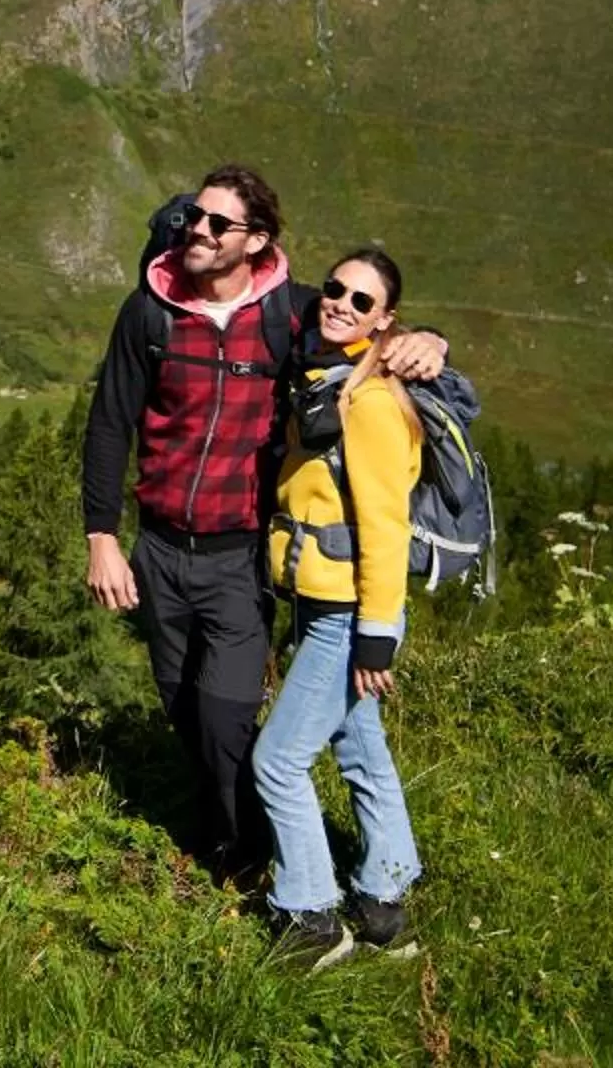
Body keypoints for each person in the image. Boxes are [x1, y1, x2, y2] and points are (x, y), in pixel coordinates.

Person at [80, 168, 443, 884]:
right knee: (185, 710)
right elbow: (110, 423)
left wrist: (432, 341)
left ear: (257, 241)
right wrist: (101, 538)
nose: (199, 231)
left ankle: (263, 862)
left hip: (240, 557)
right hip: (158, 549)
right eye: (194, 216)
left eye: (219, 223)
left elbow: (364, 327)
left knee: (227, 719)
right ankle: (228, 842)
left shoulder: (290, 313)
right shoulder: (149, 312)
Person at [256, 244, 427, 968]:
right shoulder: (326, 377)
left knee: (277, 761)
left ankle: (311, 919)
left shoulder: (374, 403)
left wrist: (377, 635)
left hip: (349, 614)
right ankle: (386, 903)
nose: (341, 304)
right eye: (335, 289)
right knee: (360, 746)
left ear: (384, 319)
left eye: (362, 300)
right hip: (322, 600)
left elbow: (387, 526)